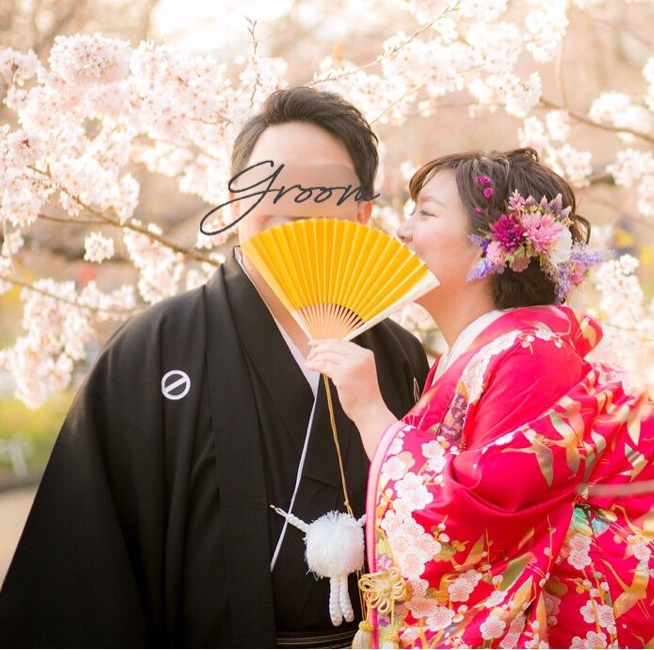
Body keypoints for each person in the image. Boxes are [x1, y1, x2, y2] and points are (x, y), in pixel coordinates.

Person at [0, 87, 429, 647]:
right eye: (268, 184)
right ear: (233, 204)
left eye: (319, 188)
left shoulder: (399, 357)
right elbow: (83, 563)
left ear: (362, 213)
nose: (291, 202)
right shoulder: (153, 352)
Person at [310, 148, 654, 648]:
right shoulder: (486, 353)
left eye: (425, 213)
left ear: (489, 249)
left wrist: (370, 414)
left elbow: (483, 519)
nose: (403, 230)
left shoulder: (529, 353)